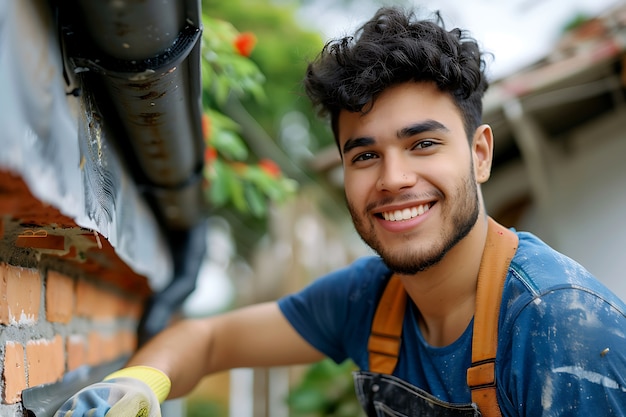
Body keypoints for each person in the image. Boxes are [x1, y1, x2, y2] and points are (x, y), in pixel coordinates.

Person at [55, 6, 626, 417]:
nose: (394, 179)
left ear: (480, 154)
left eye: (423, 144)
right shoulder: (372, 299)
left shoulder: (559, 327)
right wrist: (135, 386)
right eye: (366, 155)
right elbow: (207, 342)